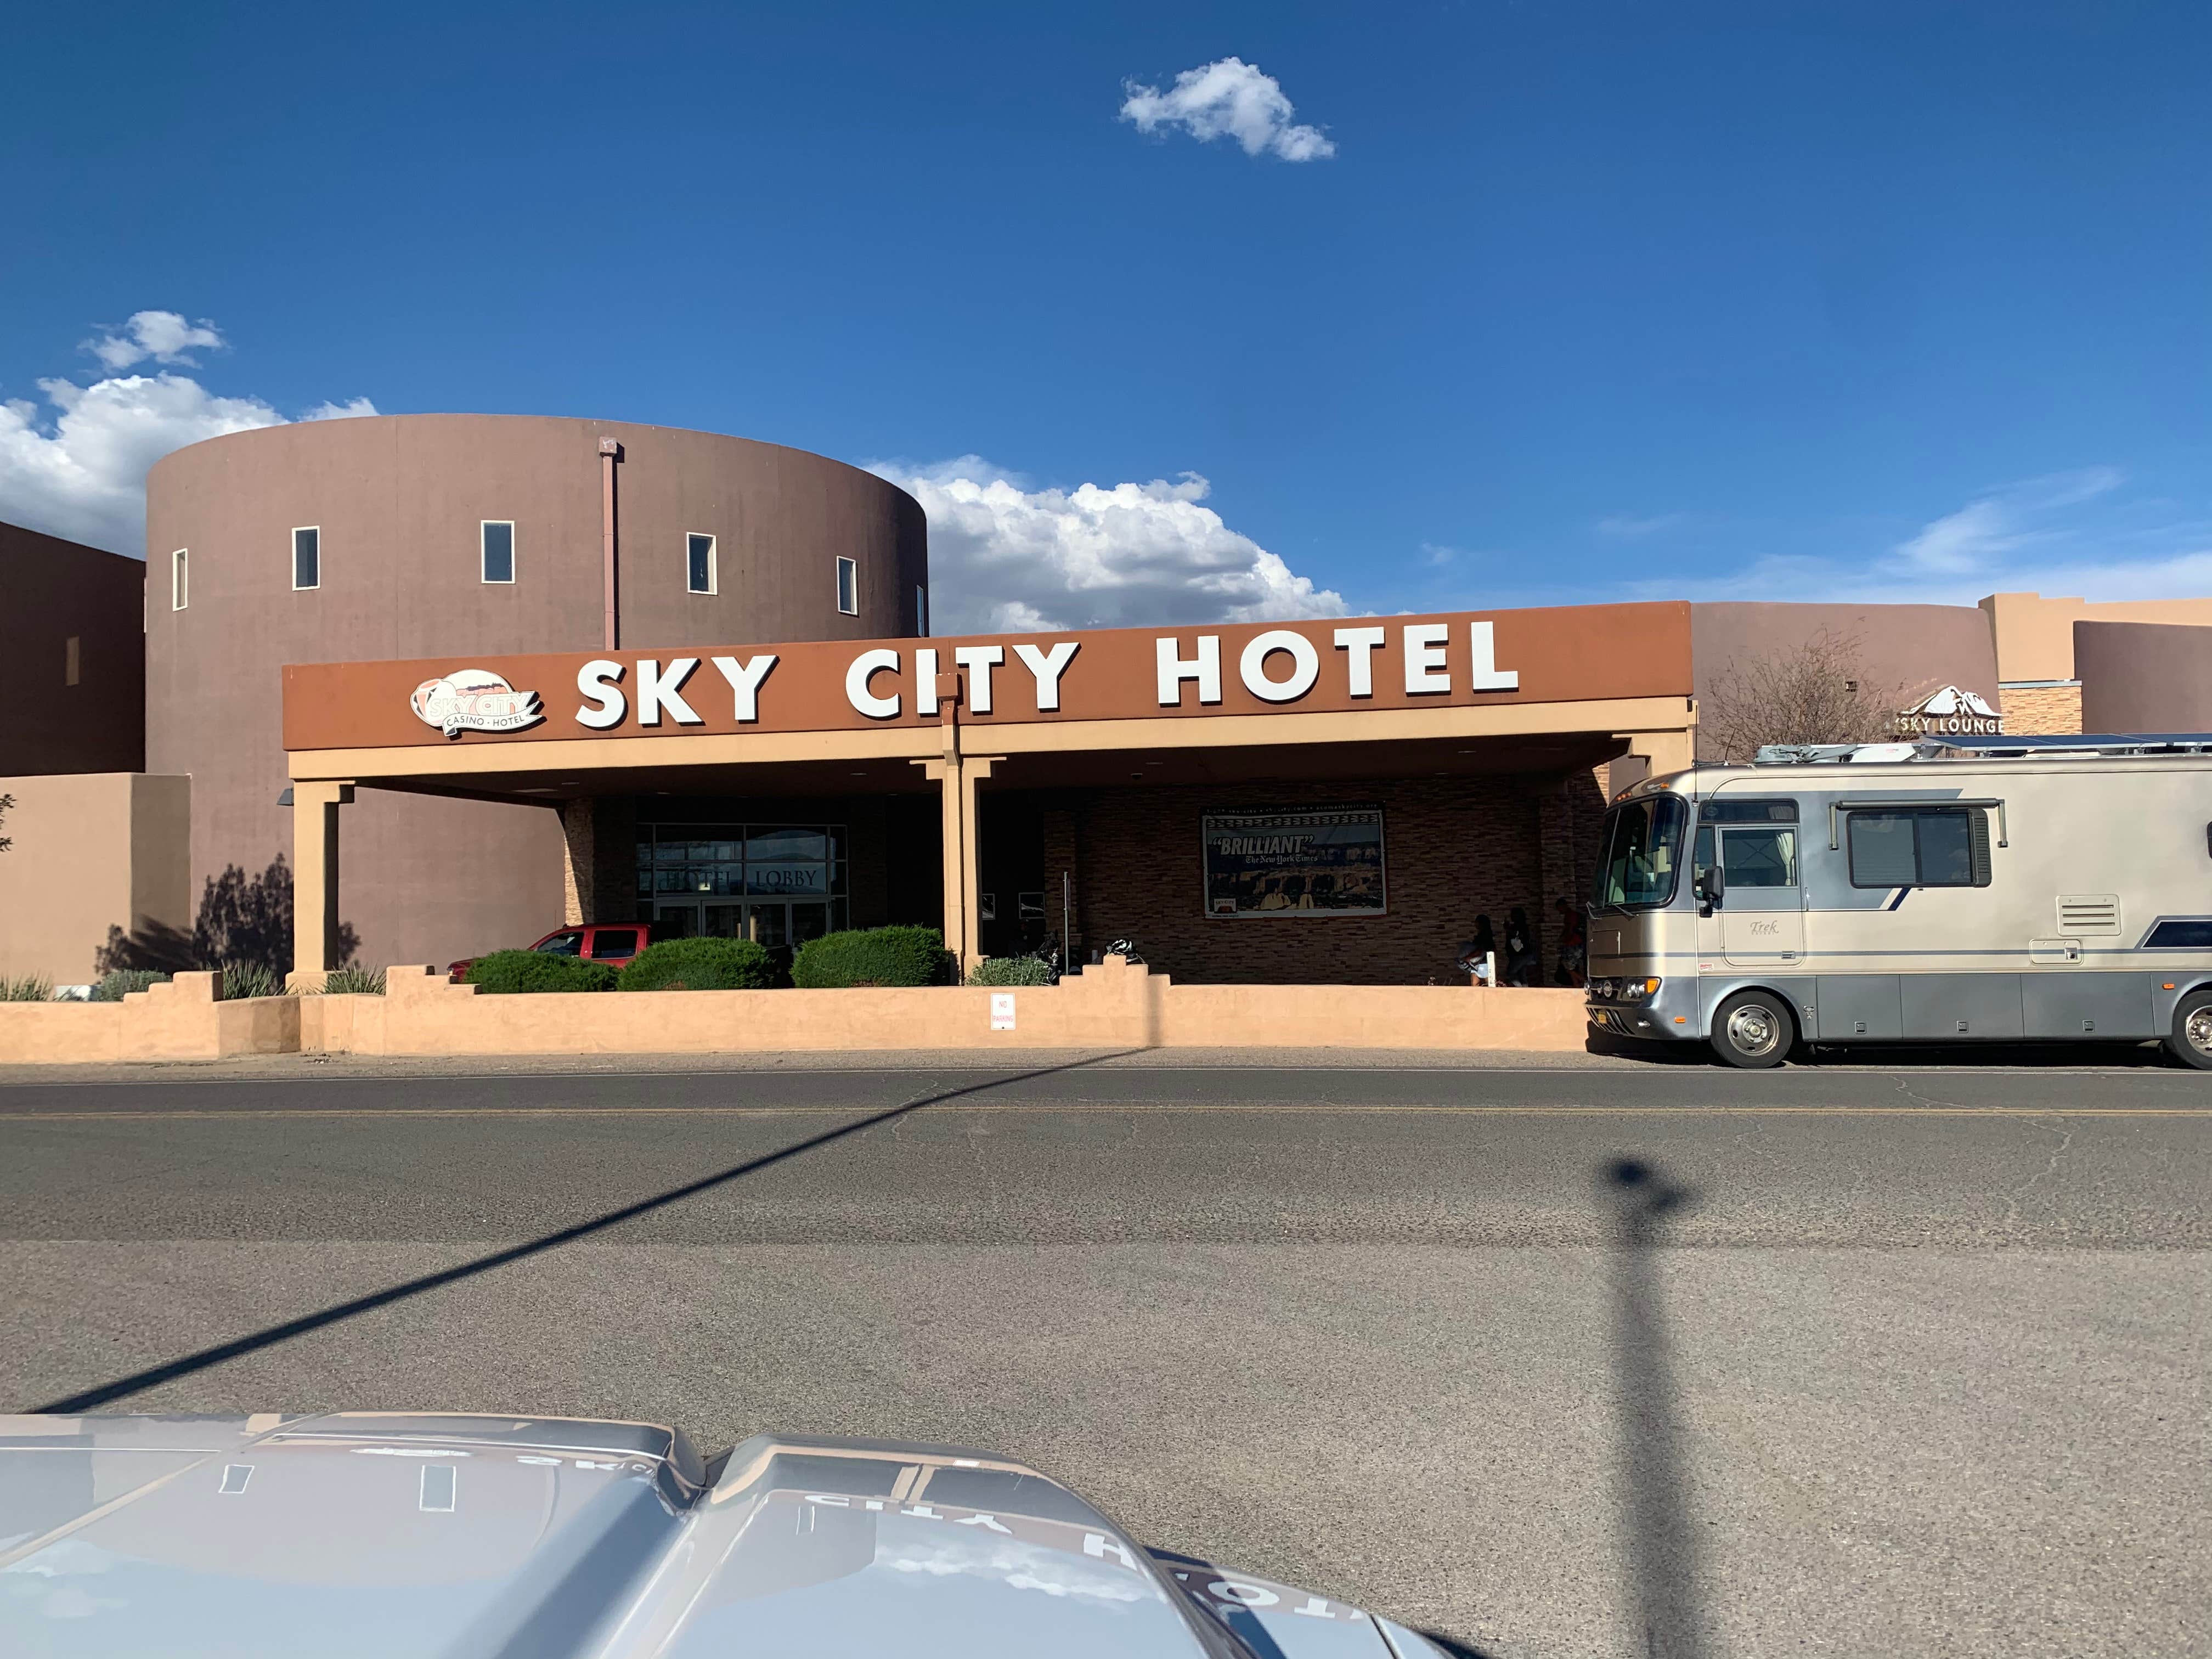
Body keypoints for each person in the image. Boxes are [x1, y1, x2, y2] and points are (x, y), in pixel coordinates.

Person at [1553, 898, 1588, 987]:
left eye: (1559, 908)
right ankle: (1577, 986)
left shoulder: (1571, 916)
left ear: (1563, 906)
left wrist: (1563, 940)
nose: (1559, 911)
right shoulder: (1570, 915)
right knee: (1571, 968)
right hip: (1575, 944)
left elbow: (1570, 931)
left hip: (1575, 945)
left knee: (1569, 968)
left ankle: (1586, 983)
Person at [1455, 914, 1499, 984]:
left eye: (1477, 922)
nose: (1475, 924)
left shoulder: (1485, 936)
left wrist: (1467, 958)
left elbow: (1480, 951)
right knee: (1477, 985)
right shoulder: (1485, 935)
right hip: (1478, 964)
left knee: (1489, 985)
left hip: (1485, 964)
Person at [1504, 906, 1541, 987]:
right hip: (1519, 954)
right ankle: (1524, 990)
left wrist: (1508, 929)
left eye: (1514, 915)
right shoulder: (1515, 926)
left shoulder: (1522, 926)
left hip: (1522, 954)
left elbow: (1520, 935)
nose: (1512, 917)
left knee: (1510, 972)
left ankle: (1520, 990)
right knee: (1522, 974)